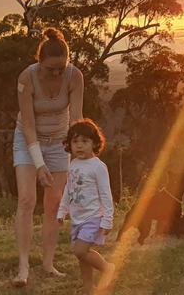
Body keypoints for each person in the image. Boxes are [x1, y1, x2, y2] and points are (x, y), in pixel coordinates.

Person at [13, 27, 84, 287]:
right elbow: (28, 125)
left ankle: (48, 263)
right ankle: (23, 266)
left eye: (61, 68)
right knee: (27, 200)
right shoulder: (27, 78)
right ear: (39, 61)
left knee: (54, 205)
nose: (56, 73)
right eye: (51, 68)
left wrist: (81, 155)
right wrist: (39, 164)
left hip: (59, 143)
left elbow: (77, 118)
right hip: (28, 141)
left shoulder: (75, 76)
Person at [57, 118, 116, 294]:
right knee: (82, 256)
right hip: (77, 219)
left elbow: (106, 195)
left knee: (80, 251)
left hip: (93, 217)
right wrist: (62, 209)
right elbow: (69, 189)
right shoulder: (73, 165)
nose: (79, 146)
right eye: (75, 142)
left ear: (95, 143)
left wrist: (107, 220)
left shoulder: (98, 167)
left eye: (85, 141)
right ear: (69, 144)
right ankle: (89, 287)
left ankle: (107, 268)